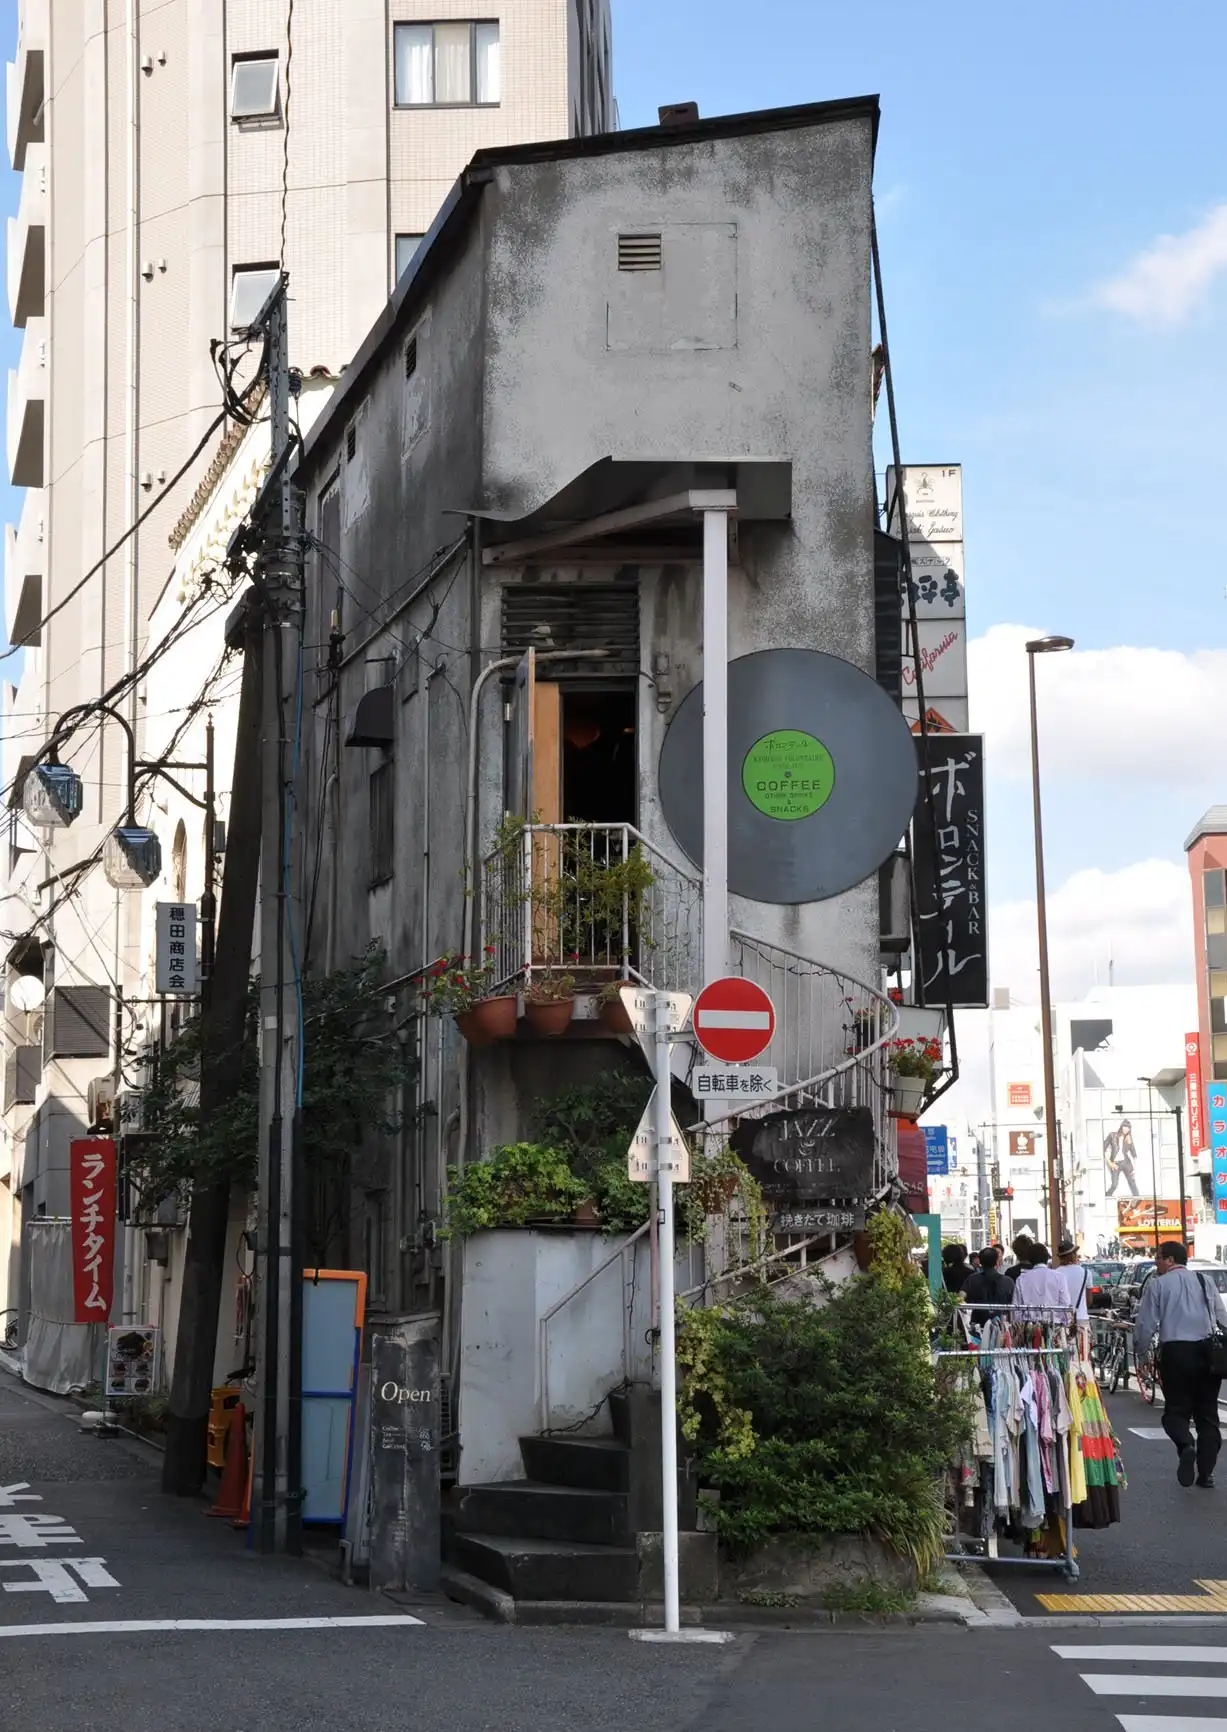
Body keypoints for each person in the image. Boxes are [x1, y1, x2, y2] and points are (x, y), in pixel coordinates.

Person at [1134, 1240, 1227, 1488]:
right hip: (1207, 1354)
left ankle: (1186, 1445)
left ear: (1170, 1260)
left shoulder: (1158, 1285)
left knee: (1176, 1411)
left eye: (1159, 1257)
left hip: (1175, 1353)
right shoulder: (1204, 1281)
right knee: (1208, 1416)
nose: (1156, 1262)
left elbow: (1146, 1324)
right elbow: (1222, 1317)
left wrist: (1141, 1354)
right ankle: (1206, 1474)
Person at [1011, 1242, 1070, 1315]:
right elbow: (1065, 1303)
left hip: (1029, 1321)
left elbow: (1015, 1309)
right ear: (1047, 1258)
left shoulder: (1021, 1279)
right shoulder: (1059, 1277)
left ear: (1030, 1260)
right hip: (1053, 1320)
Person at [962, 1245, 1014, 1325]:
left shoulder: (972, 1279)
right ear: (997, 1261)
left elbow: (960, 1297)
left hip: (977, 1324)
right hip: (1002, 1324)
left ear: (980, 1261)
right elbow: (1013, 1303)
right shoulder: (1008, 1281)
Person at [1056, 1236, 1090, 1322]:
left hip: (1061, 1320)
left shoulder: (1055, 1273)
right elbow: (1089, 1300)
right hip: (1082, 1317)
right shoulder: (1086, 1273)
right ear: (1072, 1255)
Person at [1104, 1119, 1140, 1199]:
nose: (1126, 1129)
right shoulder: (1112, 1135)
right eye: (1125, 1126)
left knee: (1132, 1183)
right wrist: (1110, 1163)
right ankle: (1107, 1196)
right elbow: (1103, 1148)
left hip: (1126, 1162)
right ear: (1121, 1126)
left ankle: (1138, 1199)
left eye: (1128, 1127)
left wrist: (1135, 1169)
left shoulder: (1129, 1138)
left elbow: (1134, 1154)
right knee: (1114, 1185)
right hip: (1115, 1164)